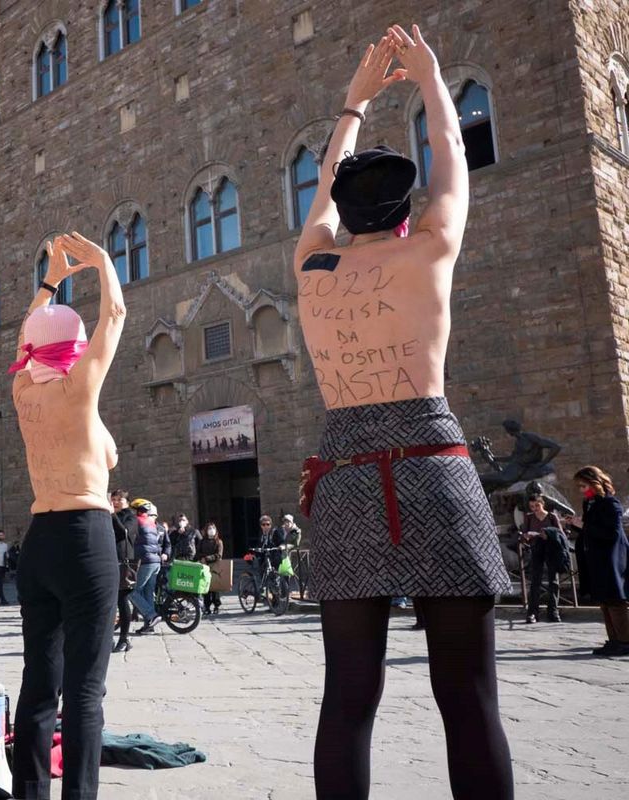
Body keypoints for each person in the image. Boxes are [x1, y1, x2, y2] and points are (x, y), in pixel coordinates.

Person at [294, 26, 513, 799]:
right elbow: (454, 164)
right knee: (470, 700)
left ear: (341, 214)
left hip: (349, 476)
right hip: (434, 466)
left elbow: (321, 189)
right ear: (403, 212)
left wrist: (352, 102)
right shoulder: (428, 250)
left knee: (348, 700)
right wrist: (429, 80)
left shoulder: (312, 266)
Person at [10, 232, 125, 800]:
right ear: (75, 347)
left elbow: (26, 340)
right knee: (85, 691)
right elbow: (117, 314)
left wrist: (51, 283)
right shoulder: (80, 388)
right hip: (84, 536)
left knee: (38, 682)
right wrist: (102, 264)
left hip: (40, 540)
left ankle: (30, 793)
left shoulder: (20, 390)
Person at [564, 466, 628, 656]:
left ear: (595, 483)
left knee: (616, 601)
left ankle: (625, 640)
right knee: (604, 601)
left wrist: (584, 525)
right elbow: (590, 531)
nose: (582, 490)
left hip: (611, 559)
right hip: (596, 559)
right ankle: (614, 639)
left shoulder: (610, 504)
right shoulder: (589, 504)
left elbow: (612, 533)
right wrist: (576, 525)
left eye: (584, 486)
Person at [520, 493, 567, 624]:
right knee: (535, 581)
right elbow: (524, 533)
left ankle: (553, 611)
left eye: (537, 505)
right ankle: (533, 612)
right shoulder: (529, 517)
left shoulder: (552, 516)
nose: (535, 508)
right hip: (536, 549)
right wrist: (527, 536)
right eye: (532, 506)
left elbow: (560, 533)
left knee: (553, 581)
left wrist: (548, 534)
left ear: (542, 504)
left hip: (551, 550)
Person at [128, 499, 169, 635]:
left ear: (138, 510)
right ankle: (149, 626)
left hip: (145, 561)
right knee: (147, 593)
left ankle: (151, 615)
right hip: (155, 561)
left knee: (132, 591)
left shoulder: (137, 521)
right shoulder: (151, 523)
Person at [111, 490, 139, 654]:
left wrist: (111, 514)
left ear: (127, 501)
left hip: (124, 562)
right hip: (110, 560)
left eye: (119, 499)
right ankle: (109, 638)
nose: (115, 502)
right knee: (109, 602)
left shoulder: (131, 517)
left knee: (122, 600)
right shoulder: (111, 515)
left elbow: (123, 533)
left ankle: (124, 638)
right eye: (113, 499)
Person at [196, 523, 223, 615]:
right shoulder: (202, 541)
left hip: (215, 566)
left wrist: (207, 558)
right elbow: (198, 553)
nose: (211, 530)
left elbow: (219, 555)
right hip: (204, 566)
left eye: (213, 528)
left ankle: (216, 605)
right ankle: (206, 606)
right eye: (209, 528)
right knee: (205, 587)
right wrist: (201, 559)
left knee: (215, 587)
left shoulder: (218, 542)